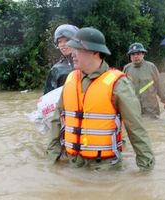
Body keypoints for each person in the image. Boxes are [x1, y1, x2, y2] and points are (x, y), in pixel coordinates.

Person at [46, 28, 155, 171]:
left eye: (77, 49)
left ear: (94, 52)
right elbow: (56, 120)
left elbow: (136, 128)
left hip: (104, 168)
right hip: (74, 164)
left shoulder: (118, 84)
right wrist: (52, 161)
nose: (72, 53)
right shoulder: (71, 79)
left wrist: (146, 170)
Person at [123, 42, 165, 118]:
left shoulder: (151, 67)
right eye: (133, 54)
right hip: (133, 109)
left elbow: (160, 85)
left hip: (151, 109)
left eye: (138, 53)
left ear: (143, 54)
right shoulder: (127, 69)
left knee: (152, 127)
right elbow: (123, 89)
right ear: (130, 56)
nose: (136, 56)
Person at [43, 24, 79, 94]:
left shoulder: (88, 64)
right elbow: (48, 96)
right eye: (59, 41)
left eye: (67, 40)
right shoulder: (56, 69)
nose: (63, 44)